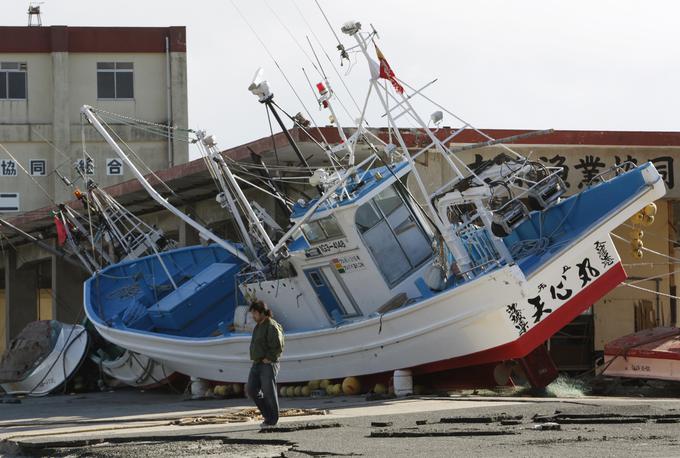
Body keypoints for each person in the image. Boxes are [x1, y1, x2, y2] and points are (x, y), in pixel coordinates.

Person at [246, 300, 285, 428]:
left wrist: (270, 358)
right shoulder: (258, 326)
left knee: (269, 392)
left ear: (262, 312)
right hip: (257, 363)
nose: (253, 316)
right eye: (252, 313)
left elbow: (278, 345)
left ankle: (272, 420)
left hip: (267, 364)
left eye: (255, 313)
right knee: (251, 390)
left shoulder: (271, 326)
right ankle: (268, 415)